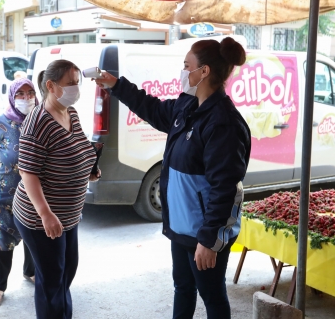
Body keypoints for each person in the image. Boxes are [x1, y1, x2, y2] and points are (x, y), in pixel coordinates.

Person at [94, 38, 251, 319]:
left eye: (186, 66)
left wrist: (209, 239)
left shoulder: (223, 123)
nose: (182, 72)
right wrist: (115, 85)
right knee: (183, 288)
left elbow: (225, 188)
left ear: (203, 71)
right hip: (181, 226)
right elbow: (152, 108)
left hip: (204, 232)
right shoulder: (187, 106)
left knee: (212, 298)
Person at [13, 59, 100, 319]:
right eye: (70, 83)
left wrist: (90, 169)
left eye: (77, 82)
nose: (76, 88)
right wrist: (45, 213)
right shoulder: (37, 122)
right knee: (53, 281)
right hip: (41, 218)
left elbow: (80, 147)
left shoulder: (69, 112)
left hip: (68, 215)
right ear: (51, 86)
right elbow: (28, 173)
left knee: (65, 273)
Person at [0, 78, 38, 307]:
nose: (26, 98)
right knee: (2, 240)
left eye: (30, 93)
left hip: (35, 197)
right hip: (2, 196)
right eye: (20, 94)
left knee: (34, 236)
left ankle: (30, 272)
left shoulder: (42, 122)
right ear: (12, 97)